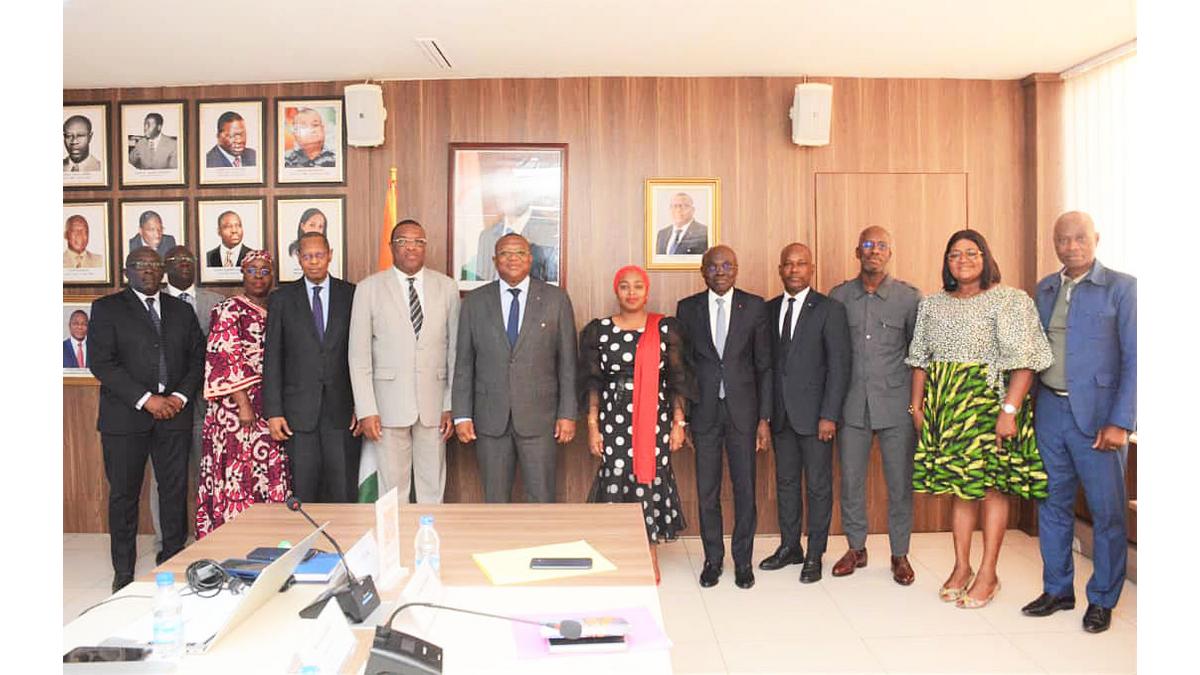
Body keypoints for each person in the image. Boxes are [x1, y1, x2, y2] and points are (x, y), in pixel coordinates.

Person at [906, 229, 1052, 609]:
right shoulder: (932, 304)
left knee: (990, 488)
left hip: (991, 405)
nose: (963, 260)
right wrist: (917, 407)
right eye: (955, 254)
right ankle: (961, 567)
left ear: (986, 257)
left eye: (972, 253)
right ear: (946, 262)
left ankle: (988, 573)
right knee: (961, 488)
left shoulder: (1010, 300)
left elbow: (1025, 362)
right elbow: (920, 359)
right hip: (948, 407)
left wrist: (1009, 411)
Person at [1021, 211, 1136, 634]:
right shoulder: (1046, 288)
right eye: (1063, 239)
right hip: (1050, 411)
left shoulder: (1122, 288)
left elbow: (1138, 357)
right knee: (1052, 504)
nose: (1071, 246)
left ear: (1096, 239)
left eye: (1079, 238)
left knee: (1107, 514)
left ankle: (1102, 599)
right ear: (1054, 243)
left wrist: (1121, 420)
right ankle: (1057, 590)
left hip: (1100, 418)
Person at [88, 248, 205, 592]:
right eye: (141, 265)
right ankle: (123, 571)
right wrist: (146, 399)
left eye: (155, 265)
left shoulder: (181, 310)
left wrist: (179, 397)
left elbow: (198, 358)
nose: (149, 270)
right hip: (126, 418)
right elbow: (102, 363)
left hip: (174, 415)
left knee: (174, 492)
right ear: (127, 271)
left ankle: (172, 558)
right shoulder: (107, 308)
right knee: (124, 496)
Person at [580, 265, 693, 581]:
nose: (631, 293)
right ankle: (616, 553)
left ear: (647, 291)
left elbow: (677, 379)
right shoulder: (599, 330)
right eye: (625, 286)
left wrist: (679, 423)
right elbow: (592, 382)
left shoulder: (664, 328)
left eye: (638, 286)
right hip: (613, 418)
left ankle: (648, 555)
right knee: (616, 478)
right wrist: (592, 425)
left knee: (648, 478)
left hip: (655, 418)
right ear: (616, 291)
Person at [827, 226, 922, 585]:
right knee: (851, 482)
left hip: (896, 406)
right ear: (858, 252)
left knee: (899, 485)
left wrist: (917, 406)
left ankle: (900, 554)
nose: (874, 251)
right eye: (868, 244)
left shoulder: (909, 298)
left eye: (882, 245)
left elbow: (919, 356)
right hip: (852, 405)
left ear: (890, 253)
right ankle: (856, 548)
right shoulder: (839, 297)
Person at [452, 233, 578, 503]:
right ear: (494, 260)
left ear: (530, 259)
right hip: (490, 419)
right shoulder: (474, 302)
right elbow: (463, 363)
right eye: (505, 253)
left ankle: (540, 535)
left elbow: (568, 363)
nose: (513, 259)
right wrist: (461, 415)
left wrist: (567, 413)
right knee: (495, 499)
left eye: (520, 253)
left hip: (540, 419)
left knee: (541, 497)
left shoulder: (556, 300)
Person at [676, 245, 772, 589]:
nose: (720, 272)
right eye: (713, 266)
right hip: (703, 413)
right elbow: (683, 368)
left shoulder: (755, 306)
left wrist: (764, 419)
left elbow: (764, 366)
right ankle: (713, 560)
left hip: (744, 413)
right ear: (703, 271)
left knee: (745, 489)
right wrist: (683, 417)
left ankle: (743, 561)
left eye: (727, 266)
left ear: (736, 269)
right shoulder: (687, 308)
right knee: (707, 491)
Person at [759, 243, 850, 584]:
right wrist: (765, 416)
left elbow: (839, 366)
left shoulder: (829, 309)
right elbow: (767, 367)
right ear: (780, 270)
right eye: (788, 264)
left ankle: (815, 553)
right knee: (785, 484)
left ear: (811, 269)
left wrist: (830, 415)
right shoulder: (769, 310)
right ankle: (790, 546)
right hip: (781, 416)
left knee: (818, 487)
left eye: (801, 264)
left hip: (816, 418)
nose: (794, 270)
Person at [350, 220, 459, 503]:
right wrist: (366, 410)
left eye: (418, 242)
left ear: (425, 246)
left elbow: (454, 351)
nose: (411, 247)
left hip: (434, 405)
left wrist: (449, 404)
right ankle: (394, 534)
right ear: (391, 247)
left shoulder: (447, 287)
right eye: (403, 241)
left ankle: (430, 531)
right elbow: (359, 356)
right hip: (387, 406)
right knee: (392, 490)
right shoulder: (368, 288)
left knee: (432, 487)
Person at [196, 251, 291, 537]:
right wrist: (244, 404)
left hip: (270, 404)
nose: (258, 277)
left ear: (272, 275)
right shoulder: (229, 309)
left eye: (265, 271)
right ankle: (235, 537)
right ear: (242, 274)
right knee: (240, 470)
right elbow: (225, 356)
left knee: (267, 468)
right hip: (237, 410)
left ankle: (269, 534)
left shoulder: (278, 307)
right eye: (252, 270)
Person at [263, 232, 361, 502]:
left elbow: (363, 354)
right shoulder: (282, 299)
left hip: (342, 413)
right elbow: (272, 358)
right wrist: (273, 412)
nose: (314, 262)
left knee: (343, 491)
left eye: (319, 255)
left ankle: (342, 532)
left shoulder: (351, 294)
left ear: (330, 255)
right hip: (298, 414)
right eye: (307, 256)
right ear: (299, 258)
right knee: (304, 492)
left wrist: (362, 405)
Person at [150, 246, 223, 551]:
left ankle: (208, 535)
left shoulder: (216, 302)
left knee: (208, 473)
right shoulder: (152, 302)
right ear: (164, 266)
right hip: (166, 405)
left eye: (188, 260)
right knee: (166, 477)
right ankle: (166, 540)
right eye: (176, 260)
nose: (183, 264)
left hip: (208, 404)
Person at [471, 166, 559, 283]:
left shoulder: (551, 231)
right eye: (502, 188)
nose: (507, 194)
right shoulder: (487, 237)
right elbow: (481, 285)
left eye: (513, 188)